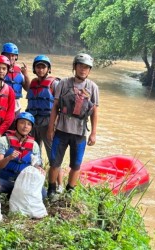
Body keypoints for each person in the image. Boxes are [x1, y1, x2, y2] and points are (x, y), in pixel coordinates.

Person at [47, 53, 99, 201]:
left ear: (89, 70)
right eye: (81, 66)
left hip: (79, 133)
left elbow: (95, 112)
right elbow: (55, 107)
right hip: (61, 131)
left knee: (76, 165)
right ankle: (51, 189)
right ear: (75, 67)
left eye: (87, 67)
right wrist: (51, 128)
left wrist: (93, 133)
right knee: (55, 162)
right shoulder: (63, 83)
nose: (83, 69)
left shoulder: (93, 88)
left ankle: (69, 192)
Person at [25, 55, 64, 192]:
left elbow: (61, 106)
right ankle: (37, 180)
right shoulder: (33, 83)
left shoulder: (55, 83)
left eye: (43, 67)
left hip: (48, 122)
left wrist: (54, 126)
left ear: (48, 69)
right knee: (34, 153)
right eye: (38, 67)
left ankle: (59, 185)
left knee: (54, 155)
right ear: (34, 69)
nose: (40, 69)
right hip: (33, 122)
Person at [0, 112, 46, 198]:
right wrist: (8, 158)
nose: (25, 126)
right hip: (3, 180)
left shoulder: (34, 145)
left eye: (29, 124)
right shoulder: (3, 141)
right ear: (16, 124)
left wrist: (39, 169)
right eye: (22, 122)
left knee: (43, 193)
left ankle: (13, 196)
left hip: (23, 182)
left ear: (31, 128)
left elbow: (37, 164)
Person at [1, 43, 31, 119]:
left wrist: (26, 75)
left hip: (15, 106)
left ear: (16, 57)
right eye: (7, 55)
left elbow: (28, 89)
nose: (10, 58)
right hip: (1, 104)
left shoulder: (20, 71)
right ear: (3, 55)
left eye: (13, 55)